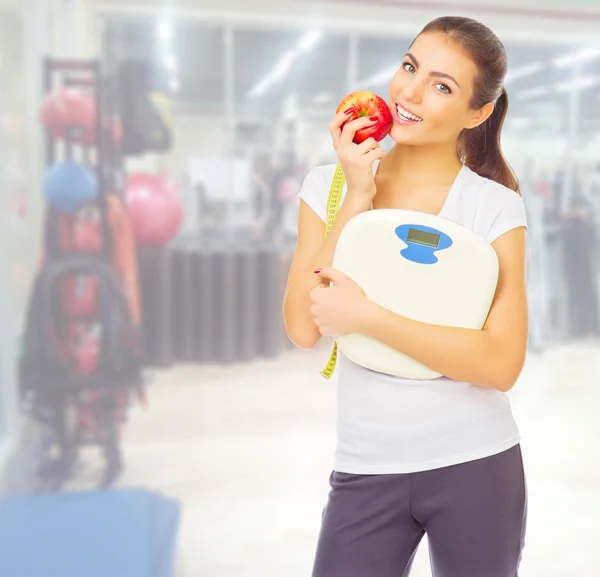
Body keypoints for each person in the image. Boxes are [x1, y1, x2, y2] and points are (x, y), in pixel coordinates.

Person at [283, 16, 529, 577]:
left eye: (442, 86)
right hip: (365, 465)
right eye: (410, 67)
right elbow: (302, 325)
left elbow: (501, 362)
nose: (410, 93)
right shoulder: (328, 186)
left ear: (478, 113)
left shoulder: (493, 207)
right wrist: (357, 193)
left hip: (477, 463)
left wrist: (368, 317)